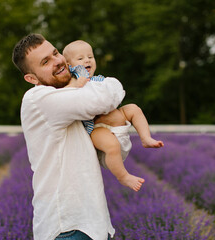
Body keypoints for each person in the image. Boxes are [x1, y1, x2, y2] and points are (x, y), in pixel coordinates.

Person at [12, 34, 123, 240]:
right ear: (31, 78)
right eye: (45, 62)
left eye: (55, 53)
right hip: (67, 228)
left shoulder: (70, 100)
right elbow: (107, 95)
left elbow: (110, 154)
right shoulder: (38, 98)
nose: (57, 61)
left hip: (95, 223)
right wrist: (109, 85)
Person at [63, 40, 164, 192]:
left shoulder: (100, 80)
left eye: (90, 56)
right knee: (112, 146)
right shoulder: (73, 83)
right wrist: (78, 82)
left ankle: (146, 138)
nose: (87, 60)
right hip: (97, 127)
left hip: (117, 118)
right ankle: (123, 176)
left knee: (133, 108)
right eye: (80, 58)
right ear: (70, 66)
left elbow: (114, 94)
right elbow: (73, 98)